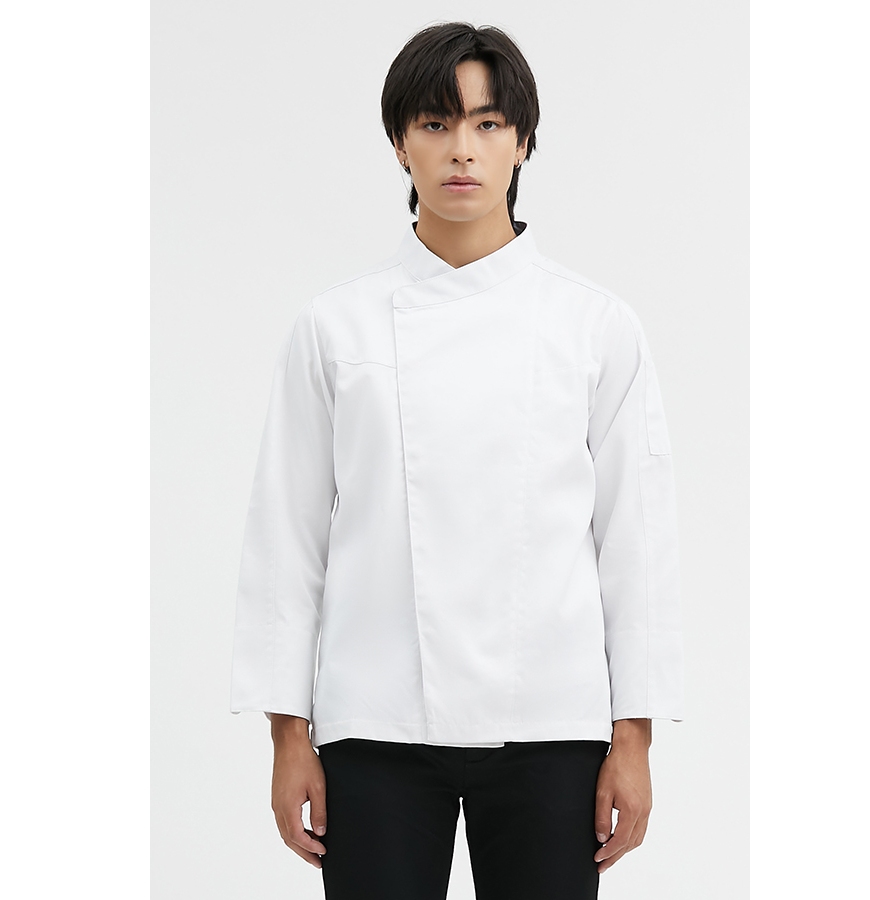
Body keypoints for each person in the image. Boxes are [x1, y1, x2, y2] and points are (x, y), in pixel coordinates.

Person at [230, 21, 684, 900]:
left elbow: (636, 541)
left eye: (487, 123)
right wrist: (289, 737)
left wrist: (634, 738)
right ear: (400, 145)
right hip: (376, 723)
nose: (462, 150)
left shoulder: (595, 327)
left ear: (523, 142)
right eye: (436, 125)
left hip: (552, 721)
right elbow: (285, 537)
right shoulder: (336, 327)